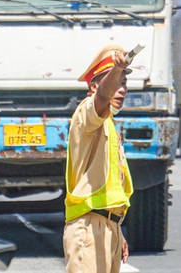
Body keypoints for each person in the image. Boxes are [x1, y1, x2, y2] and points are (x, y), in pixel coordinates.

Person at [63, 43, 135, 273]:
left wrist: (116, 229)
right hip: (87, 227)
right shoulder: (87, 114)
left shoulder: (110, 126)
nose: (121, 89)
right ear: (94, 86)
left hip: (107, 226)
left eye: (124, 83)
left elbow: (111, 187)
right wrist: (116, 71)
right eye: (115, 82)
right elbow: (102, 97)